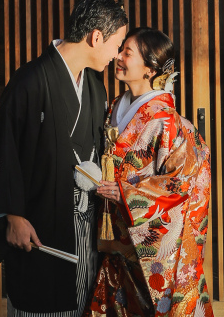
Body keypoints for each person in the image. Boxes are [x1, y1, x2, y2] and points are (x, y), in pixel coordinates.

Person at [0, 0, 129, 317]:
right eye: (117, 44)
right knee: (41, 300)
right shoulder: (31, 80)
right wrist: (13, 216)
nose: (117, 55)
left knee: (81, 300)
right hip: (38, 218)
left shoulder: (94, 85)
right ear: (96, 37)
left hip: (84, 219)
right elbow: (4, 152)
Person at [85, 28, 214, 317]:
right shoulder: (117, 107)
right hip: (117, 235)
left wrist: (128, 192)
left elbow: (181, 181)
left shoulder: (168, 121)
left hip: (145, 237)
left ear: (150, 68)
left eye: (127, 53)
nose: (118, 56)